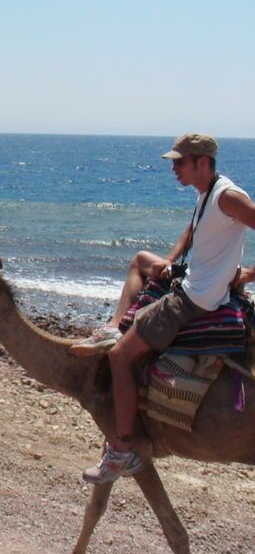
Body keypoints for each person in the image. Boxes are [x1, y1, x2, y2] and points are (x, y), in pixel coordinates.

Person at [71, 133, 255, 484]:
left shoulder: (228, 196)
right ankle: (113, 324)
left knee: (120, 357)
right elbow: (193, 230)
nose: (173, 169)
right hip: (192, 279)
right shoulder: (208, 192)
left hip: (193, 300)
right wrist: (169, 262)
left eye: (179, 162)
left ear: (202, 162)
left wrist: (248, 273)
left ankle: (121, 450)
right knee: (141, 260)